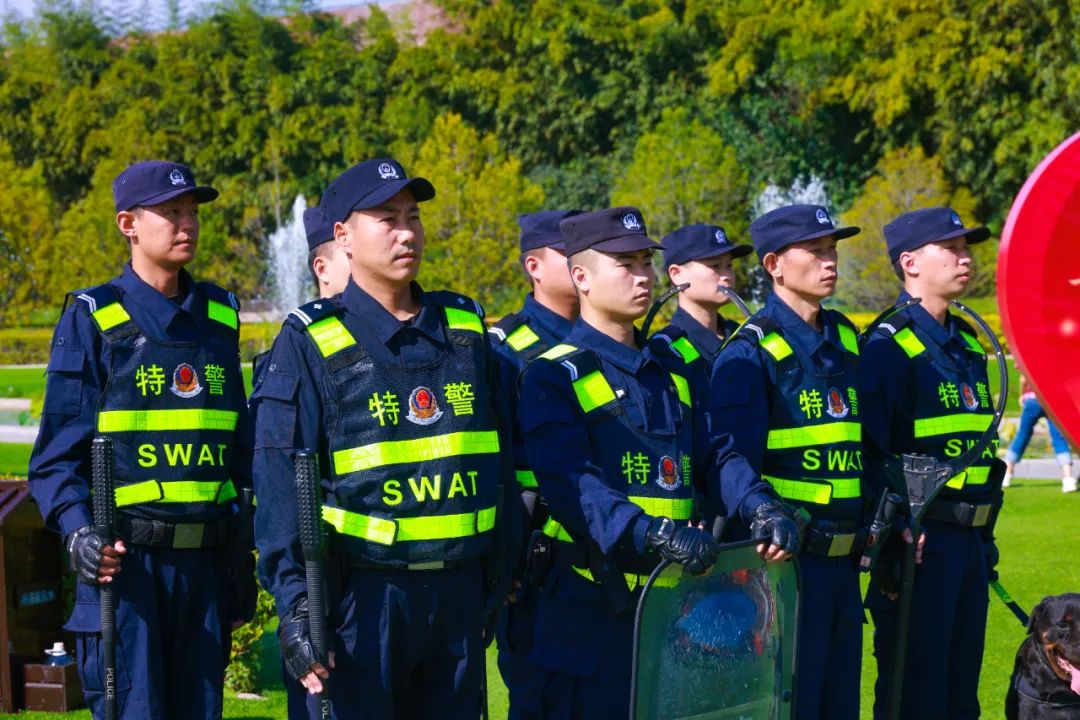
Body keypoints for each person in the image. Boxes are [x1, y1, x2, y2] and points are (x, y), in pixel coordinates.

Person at [252, 158, 520, 719]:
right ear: (344, 236)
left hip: (458, 597)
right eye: (387, 219)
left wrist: (497, 578)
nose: (406, 232)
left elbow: (502, 456)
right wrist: (297, 604)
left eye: (413, 217)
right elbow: (279, 483)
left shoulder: (465, 328)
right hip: (360, 602)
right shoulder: (310, 339)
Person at [518, 206, 799, 719]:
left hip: (671, 605)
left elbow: (717, 453)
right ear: (581, 277)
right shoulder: (552, 375)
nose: (643, 275)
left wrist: (761, 505)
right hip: (589, 605)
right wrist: (653, 532)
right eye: (625, 264)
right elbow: (572, 484)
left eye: (646, 261)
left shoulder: (673, 371)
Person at [28, 160, 256, 719]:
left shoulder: (220, 317)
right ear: (128, 224)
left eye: (193, 212)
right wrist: (79, 533)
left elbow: (239, 451)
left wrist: (242, 556)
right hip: (127, 571)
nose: (188, 224)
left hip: (205, 570)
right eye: (171, 212)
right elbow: (56, 460)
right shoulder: (94, 318)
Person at [711, 204, 869, 720]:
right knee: (792, 705)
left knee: (841, 705)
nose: (830, 260)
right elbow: (730, 455)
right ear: (774, 265)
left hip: (845, 564)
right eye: (815, 250)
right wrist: (764, 512)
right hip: (787, 567)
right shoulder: (749, 351)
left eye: (833, 249)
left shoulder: (845, 337)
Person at [860, 207, 1005, 720]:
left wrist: (983, 539)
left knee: (961, 697)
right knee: (915, 695)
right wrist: (890, 542)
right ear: (911, 263)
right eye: (953, 248)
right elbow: (871, 452)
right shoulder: (887, 346)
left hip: (969, 543)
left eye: (967, 248)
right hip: (918, 544)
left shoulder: (965, 343)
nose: (966, 259)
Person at [250, 203, 353, 720]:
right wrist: (295, 601)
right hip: (327, 588)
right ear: (322, 267)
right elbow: (276, 489)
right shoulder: (297, 349)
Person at [487, 209, 580, 720]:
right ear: (535, 266)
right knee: (538, 698)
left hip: (605, 553)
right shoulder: (506, 350)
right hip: (535, 559)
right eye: (568, 253)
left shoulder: (612, 341)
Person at [652, 223, 754, 373]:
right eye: (715, 266)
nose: (727, 276)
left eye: (729, 265)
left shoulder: (743, 334)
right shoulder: (664, 348)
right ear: (676, 274)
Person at [1003, 372, 1076, 492]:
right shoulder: (1056, 365)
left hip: (1033, 399)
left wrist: (1022, 395)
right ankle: (1068, 479)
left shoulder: (1033, 362)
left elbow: (1023, 379)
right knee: (1059, 437)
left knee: (1022, 435)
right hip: (1053, 400)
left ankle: (1007, 474)